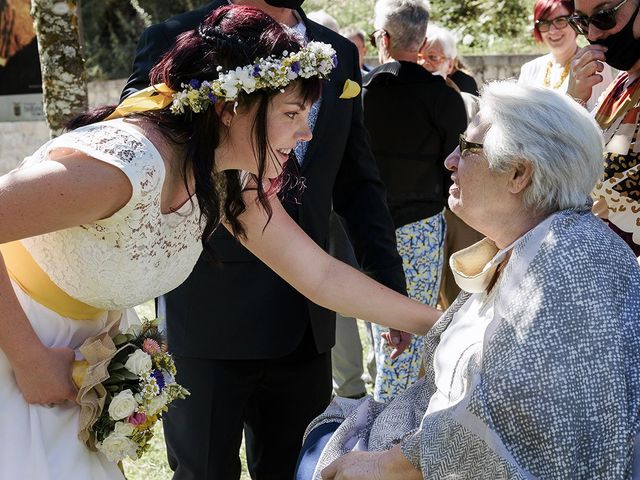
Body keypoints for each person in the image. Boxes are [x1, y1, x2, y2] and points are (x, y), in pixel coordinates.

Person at [0, 6, 442, 479]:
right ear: (230, 108)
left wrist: (447, 325)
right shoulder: (127, 165)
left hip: (81, 358)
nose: (307, 132)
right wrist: (29, 359)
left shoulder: (225, 179)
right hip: (19, 342)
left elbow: (321, 275)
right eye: (292, 113)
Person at [122, 1, 414, 478]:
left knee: (296, 469)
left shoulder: (337, 51)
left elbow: (358, 184)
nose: (300, 133)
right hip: (206, 316)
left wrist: (389, 289)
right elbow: (144, 151)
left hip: (304, 319)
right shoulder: (179, 38)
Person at [296, 81, 640, 480]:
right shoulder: (541, 244)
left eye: (469, 147)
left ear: (518, 173)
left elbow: (506, 416)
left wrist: (381, 463)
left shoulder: (568, 259)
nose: (450, 160)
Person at [363, 0, 467, 403]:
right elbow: (454, 167)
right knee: (412, 330)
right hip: (423, 224)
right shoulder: (443, 97)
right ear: (423, 41)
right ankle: (397, 423)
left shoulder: (361, 94)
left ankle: (384, 416)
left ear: (384, 39)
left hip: (368, 226)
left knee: (381, 330)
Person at [569, 0, 640, 257]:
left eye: (604, 16)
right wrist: (573, 101)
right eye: (582, 22)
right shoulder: (620, 84)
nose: (592, 34)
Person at [519, 0, 614, 111]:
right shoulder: (529, 69)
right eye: (544, 23)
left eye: (560, 21)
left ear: (576, 23)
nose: (553, 31)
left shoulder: (593, 65)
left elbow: (600, 121)